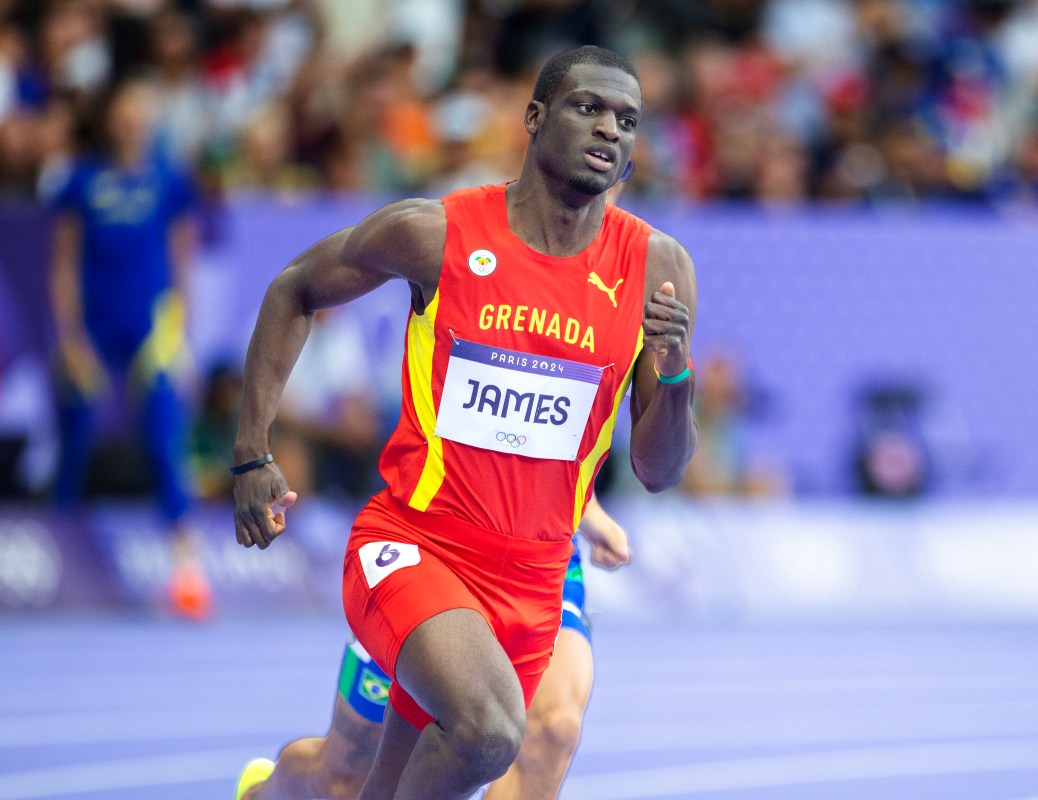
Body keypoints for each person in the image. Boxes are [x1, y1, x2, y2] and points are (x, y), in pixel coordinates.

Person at [232, 45, 697, 800]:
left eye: (628, 120)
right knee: (486, 733)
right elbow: (294, 289)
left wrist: (674, 371)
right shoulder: (438, 234)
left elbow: (660, 469)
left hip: (535, 583)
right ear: (535, 118)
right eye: (588, 108)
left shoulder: (656, 268)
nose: (610, 128)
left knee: (377, 786)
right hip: (414, 545)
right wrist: (252, 456)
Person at [234, 496, 630, 800]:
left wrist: (587, 507)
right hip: (433, 545)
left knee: (553, 730)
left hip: (542, 555)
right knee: (345, 781)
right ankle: (261, 793)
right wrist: (254, 453)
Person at [49, 77, 208, 618]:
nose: (132, 120)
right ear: (109, 117)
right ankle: (53, 558)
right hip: (94, 327)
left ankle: (186, 569)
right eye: (124, 110)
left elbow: (183, 261)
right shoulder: (81, 180)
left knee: (166, 436)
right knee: (77, 428)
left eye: (142, 111)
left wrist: (181, 335)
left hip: (153, 331)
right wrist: (70, 339)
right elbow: (64, 266)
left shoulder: (170, 180)